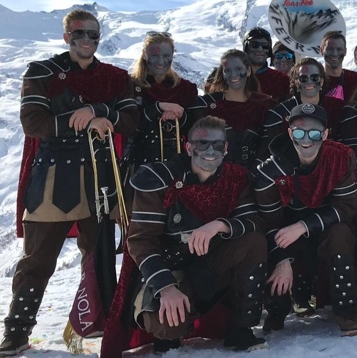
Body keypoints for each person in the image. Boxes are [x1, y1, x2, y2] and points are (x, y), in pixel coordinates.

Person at [4, 9, 138, 354]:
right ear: (67, 36)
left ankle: (93, 326)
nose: (87, 41)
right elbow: (34, 123)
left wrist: (98, 110)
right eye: (80, 34)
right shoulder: (42, 72)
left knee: (98, 259)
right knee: (37, 261)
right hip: (52, 177)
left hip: (101, 179)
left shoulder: (114, 77)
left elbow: (133, 119)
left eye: (93, 35)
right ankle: (17, 333)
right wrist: (81, 119)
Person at [106, 116, 267, 354]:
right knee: (167, 326)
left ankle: (240, 328)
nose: (210, 151)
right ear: (189, 147)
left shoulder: (235, 178)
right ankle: (170, 326)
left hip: (212, 263)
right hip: (171, 268)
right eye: (202, 144)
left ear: (226, 148)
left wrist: (220, 225)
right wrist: (165, 288)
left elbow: (253, 222)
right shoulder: (160, 179)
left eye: (217, 145)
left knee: (254, 243)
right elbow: (141, 242)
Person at [254, 104, 357, 336]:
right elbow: (268, 224)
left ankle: (348, 313)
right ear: (290, 133)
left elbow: (346, 208)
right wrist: (282, 259)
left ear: (324, 134)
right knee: (270, 245)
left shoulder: (341, 158)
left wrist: (303, 226)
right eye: (300, 132)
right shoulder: (269, 173)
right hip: (284, 232)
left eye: (314, 133)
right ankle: (276, 311)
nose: (307, 140)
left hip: (325, 229)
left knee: (342, 234)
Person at [123, 32, 198, 194]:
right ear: (144, 55)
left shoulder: (185, 89)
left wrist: (180, 117)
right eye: (155, 55)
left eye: (166, 55)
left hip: (175, 162)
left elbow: (194, 127)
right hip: (138, 160)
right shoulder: (129, 86)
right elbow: (127, 125)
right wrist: (158, 108)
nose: (161, 61)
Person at [190, 50, 276, 171]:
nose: (233, 74)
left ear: (248, 71)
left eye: (238, 69)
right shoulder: (207, 105)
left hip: (256, 176)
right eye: (227, 70)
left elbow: (271, 144)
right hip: (216, 175)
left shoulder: (265, 105)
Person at [261, 58, 346, 155]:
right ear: (296, 83)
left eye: (315, 78)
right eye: (303, 78)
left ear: (322, 81)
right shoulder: (279, 113)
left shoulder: (338, 108)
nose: (309, 82)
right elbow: (267, 152)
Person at [242, 27, 290, 102]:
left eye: (265, 46)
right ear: (246, 48)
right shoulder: (235, 76)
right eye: (255, 45)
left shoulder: (281, 80)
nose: (260, 49)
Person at [320, 31, 357, 101]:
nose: (335, 53)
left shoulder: (356, 79)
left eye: (339, 49)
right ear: (321, 50)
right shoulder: (313, 80)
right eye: (330, 49)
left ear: (345, 51)